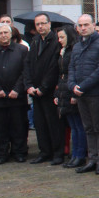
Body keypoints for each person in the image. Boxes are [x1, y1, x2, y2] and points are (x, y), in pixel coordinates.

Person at [0, 22, 30, 163]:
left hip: (17, 96)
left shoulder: (21, 50)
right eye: (0, 33)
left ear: (11, 34)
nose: (3, 35)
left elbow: (25, 72)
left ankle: (19, 152)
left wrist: (17, 89)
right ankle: (2, 153)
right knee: (0, 127)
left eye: (6, 33)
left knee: (18, 126)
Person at [69, 14, 99, 174]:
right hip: (81, 94)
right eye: (80, 25)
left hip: (94, 93)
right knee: (88, 128)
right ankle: (92, 159)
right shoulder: (77, 47)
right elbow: (71, 67)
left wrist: (83, 85)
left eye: (86, 24)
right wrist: (72, 85)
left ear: (93, 25)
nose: (83, 28)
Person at [24, 13, 64, 164]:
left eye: (43, 23)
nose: (40, 26)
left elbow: (54, 67)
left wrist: (43, 87)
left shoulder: (55, 42)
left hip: (49, 91)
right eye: (37, 24)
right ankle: (44, 151)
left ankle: (57, 153)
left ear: (49, 24)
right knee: (39, 123)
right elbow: (27, 64)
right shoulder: (34, 41)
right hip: (35, 90)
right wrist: (28, 85)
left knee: (53, 123)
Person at [54, 26, 87, 168]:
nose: (59, 40)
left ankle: (80, 155)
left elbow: (75, 71)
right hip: (64, 89)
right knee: (73, 126)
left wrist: (74, 93)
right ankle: (75, 154)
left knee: (79, 126)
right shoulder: (64, 51)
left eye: (62, 37)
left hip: (71, 90)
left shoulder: (74, 49)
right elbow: (61, 74)